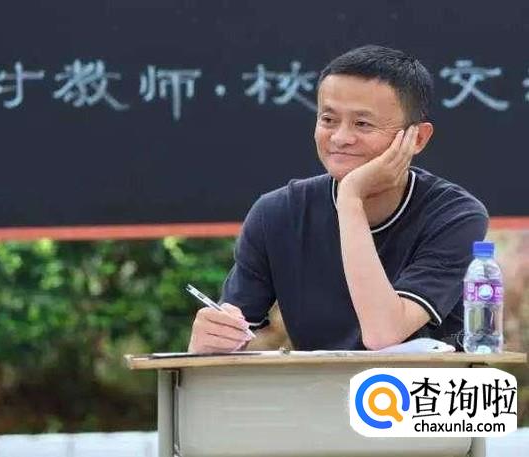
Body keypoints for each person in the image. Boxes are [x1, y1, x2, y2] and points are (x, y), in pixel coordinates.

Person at [188, 45, 488, 353]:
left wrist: (350, 198)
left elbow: (383, 334)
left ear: (418, 138)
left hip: (426, 383)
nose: (340, 138)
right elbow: (231, 334)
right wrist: (211, 339)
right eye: (328, 119)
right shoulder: (277, 213)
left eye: (363, 124)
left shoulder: (456, 216)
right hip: (322, 382)